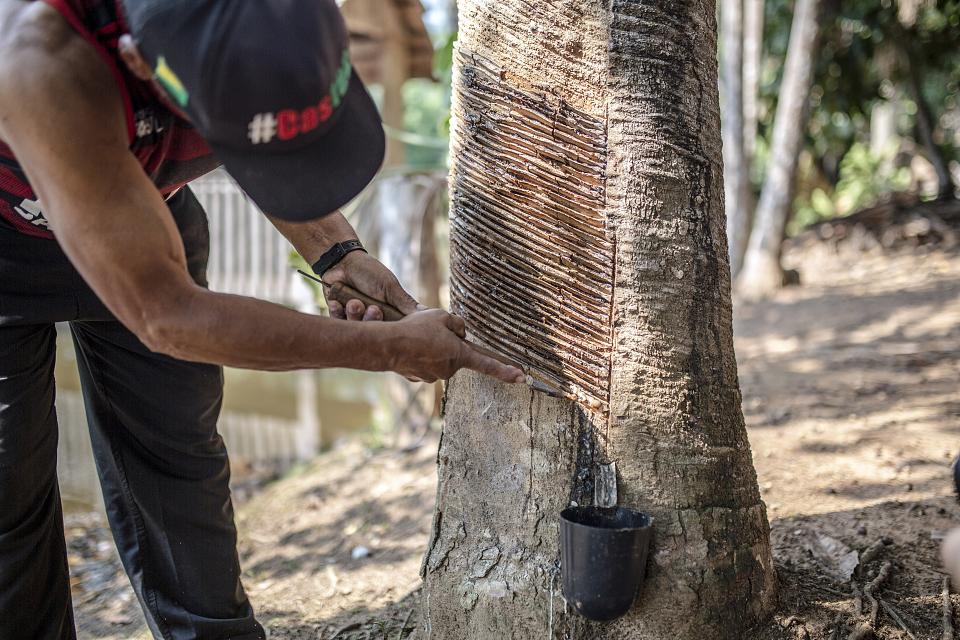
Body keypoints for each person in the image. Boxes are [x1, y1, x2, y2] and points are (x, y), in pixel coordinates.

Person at [0, 0, 524, 637]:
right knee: (10, 499)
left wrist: (336, 251)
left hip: (149, 207)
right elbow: (167, 315)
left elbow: (261, 130)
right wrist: (385, 349)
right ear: (142, 64)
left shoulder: (249, 32)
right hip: (11, 246)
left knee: (180, 462)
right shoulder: (41, 58)